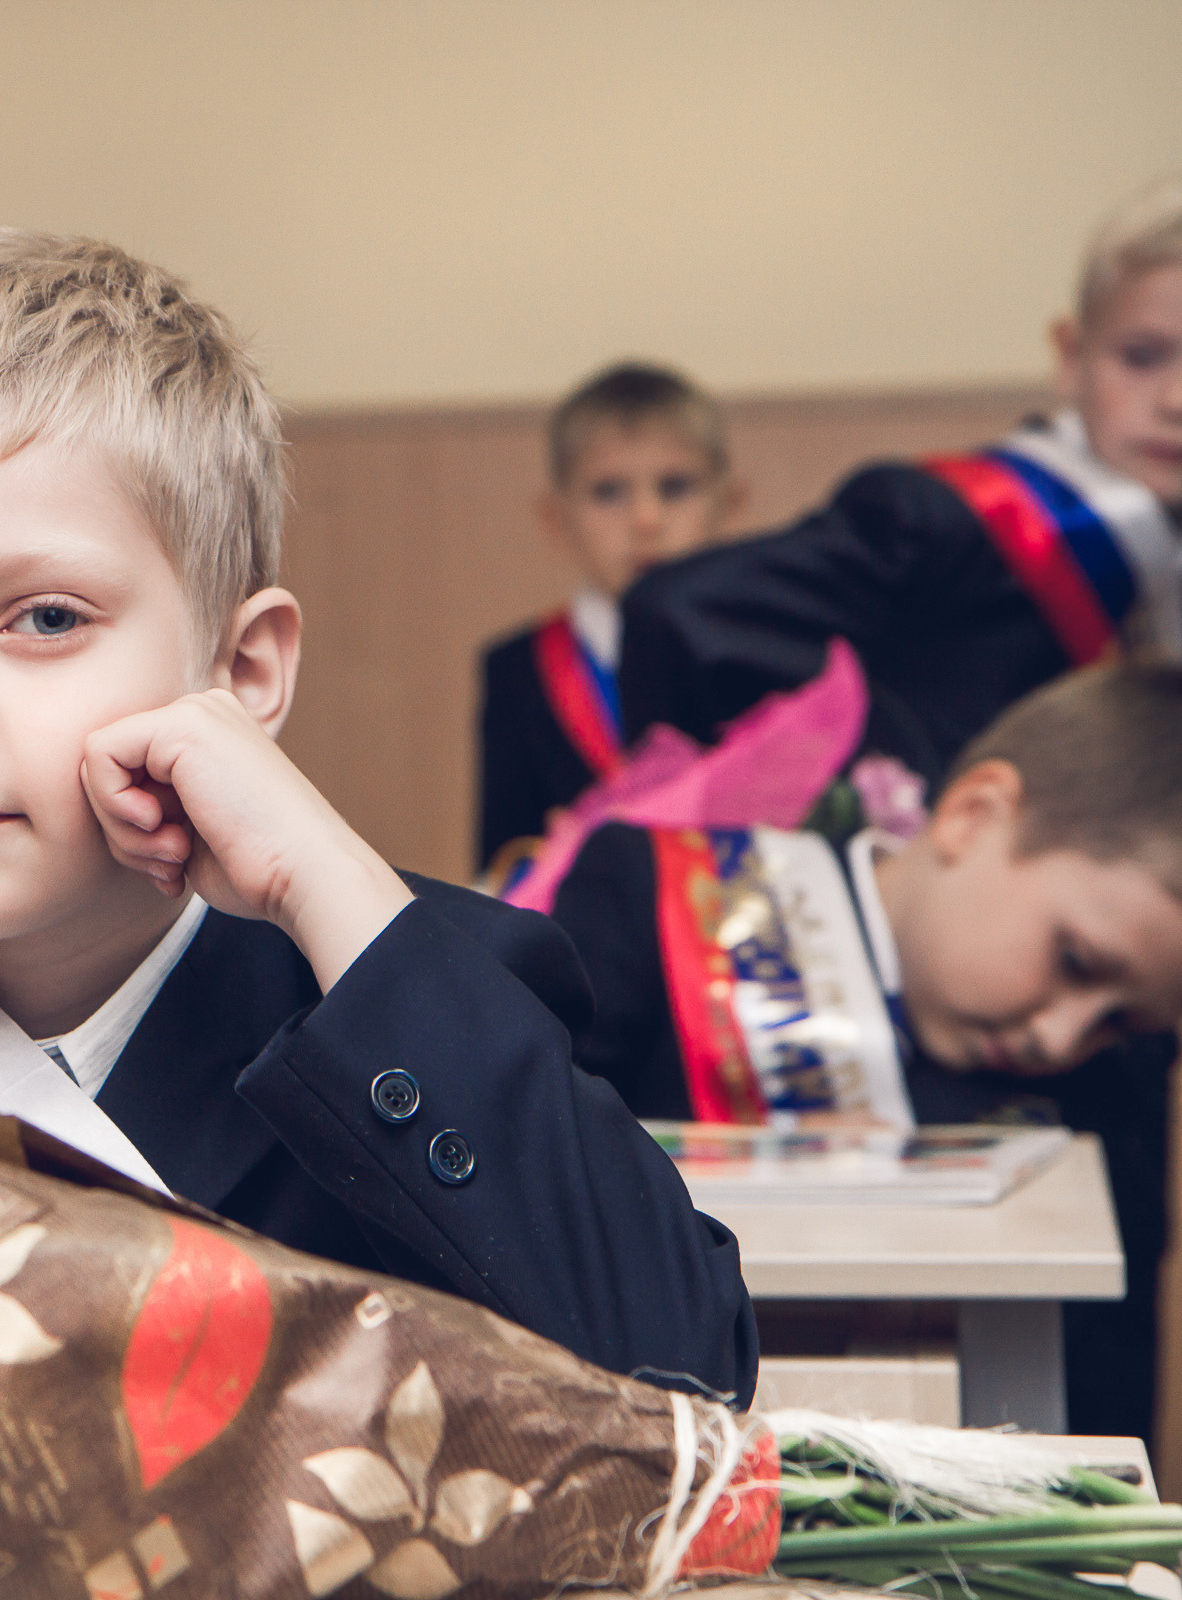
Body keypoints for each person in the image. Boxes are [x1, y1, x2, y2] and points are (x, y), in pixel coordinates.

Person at [0, 230, 758, 1400]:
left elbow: (686, 1370)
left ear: (245, 670)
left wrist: (327, 878)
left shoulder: (410, 991)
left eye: (46, 619)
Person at [548, 662, 1182, 1439]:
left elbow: (1098, 1418)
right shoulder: (651, 898)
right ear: (974, 816)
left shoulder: (1104, 1092)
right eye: (1075, 961)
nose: (1062, 1037)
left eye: (1120, 1022)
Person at [618, 177, 1182, 783]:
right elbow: (678, 613)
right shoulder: (938, 520)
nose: (1175, 400)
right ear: (1071, 357)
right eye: (1141, 357)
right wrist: (896, 782)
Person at [475, 362, 740, 868]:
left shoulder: (762, 653)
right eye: (609, 492)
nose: (646, 520)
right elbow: (502, 868)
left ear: (730, 505)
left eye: (675, 487)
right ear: (557, 520)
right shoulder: (518, 667)